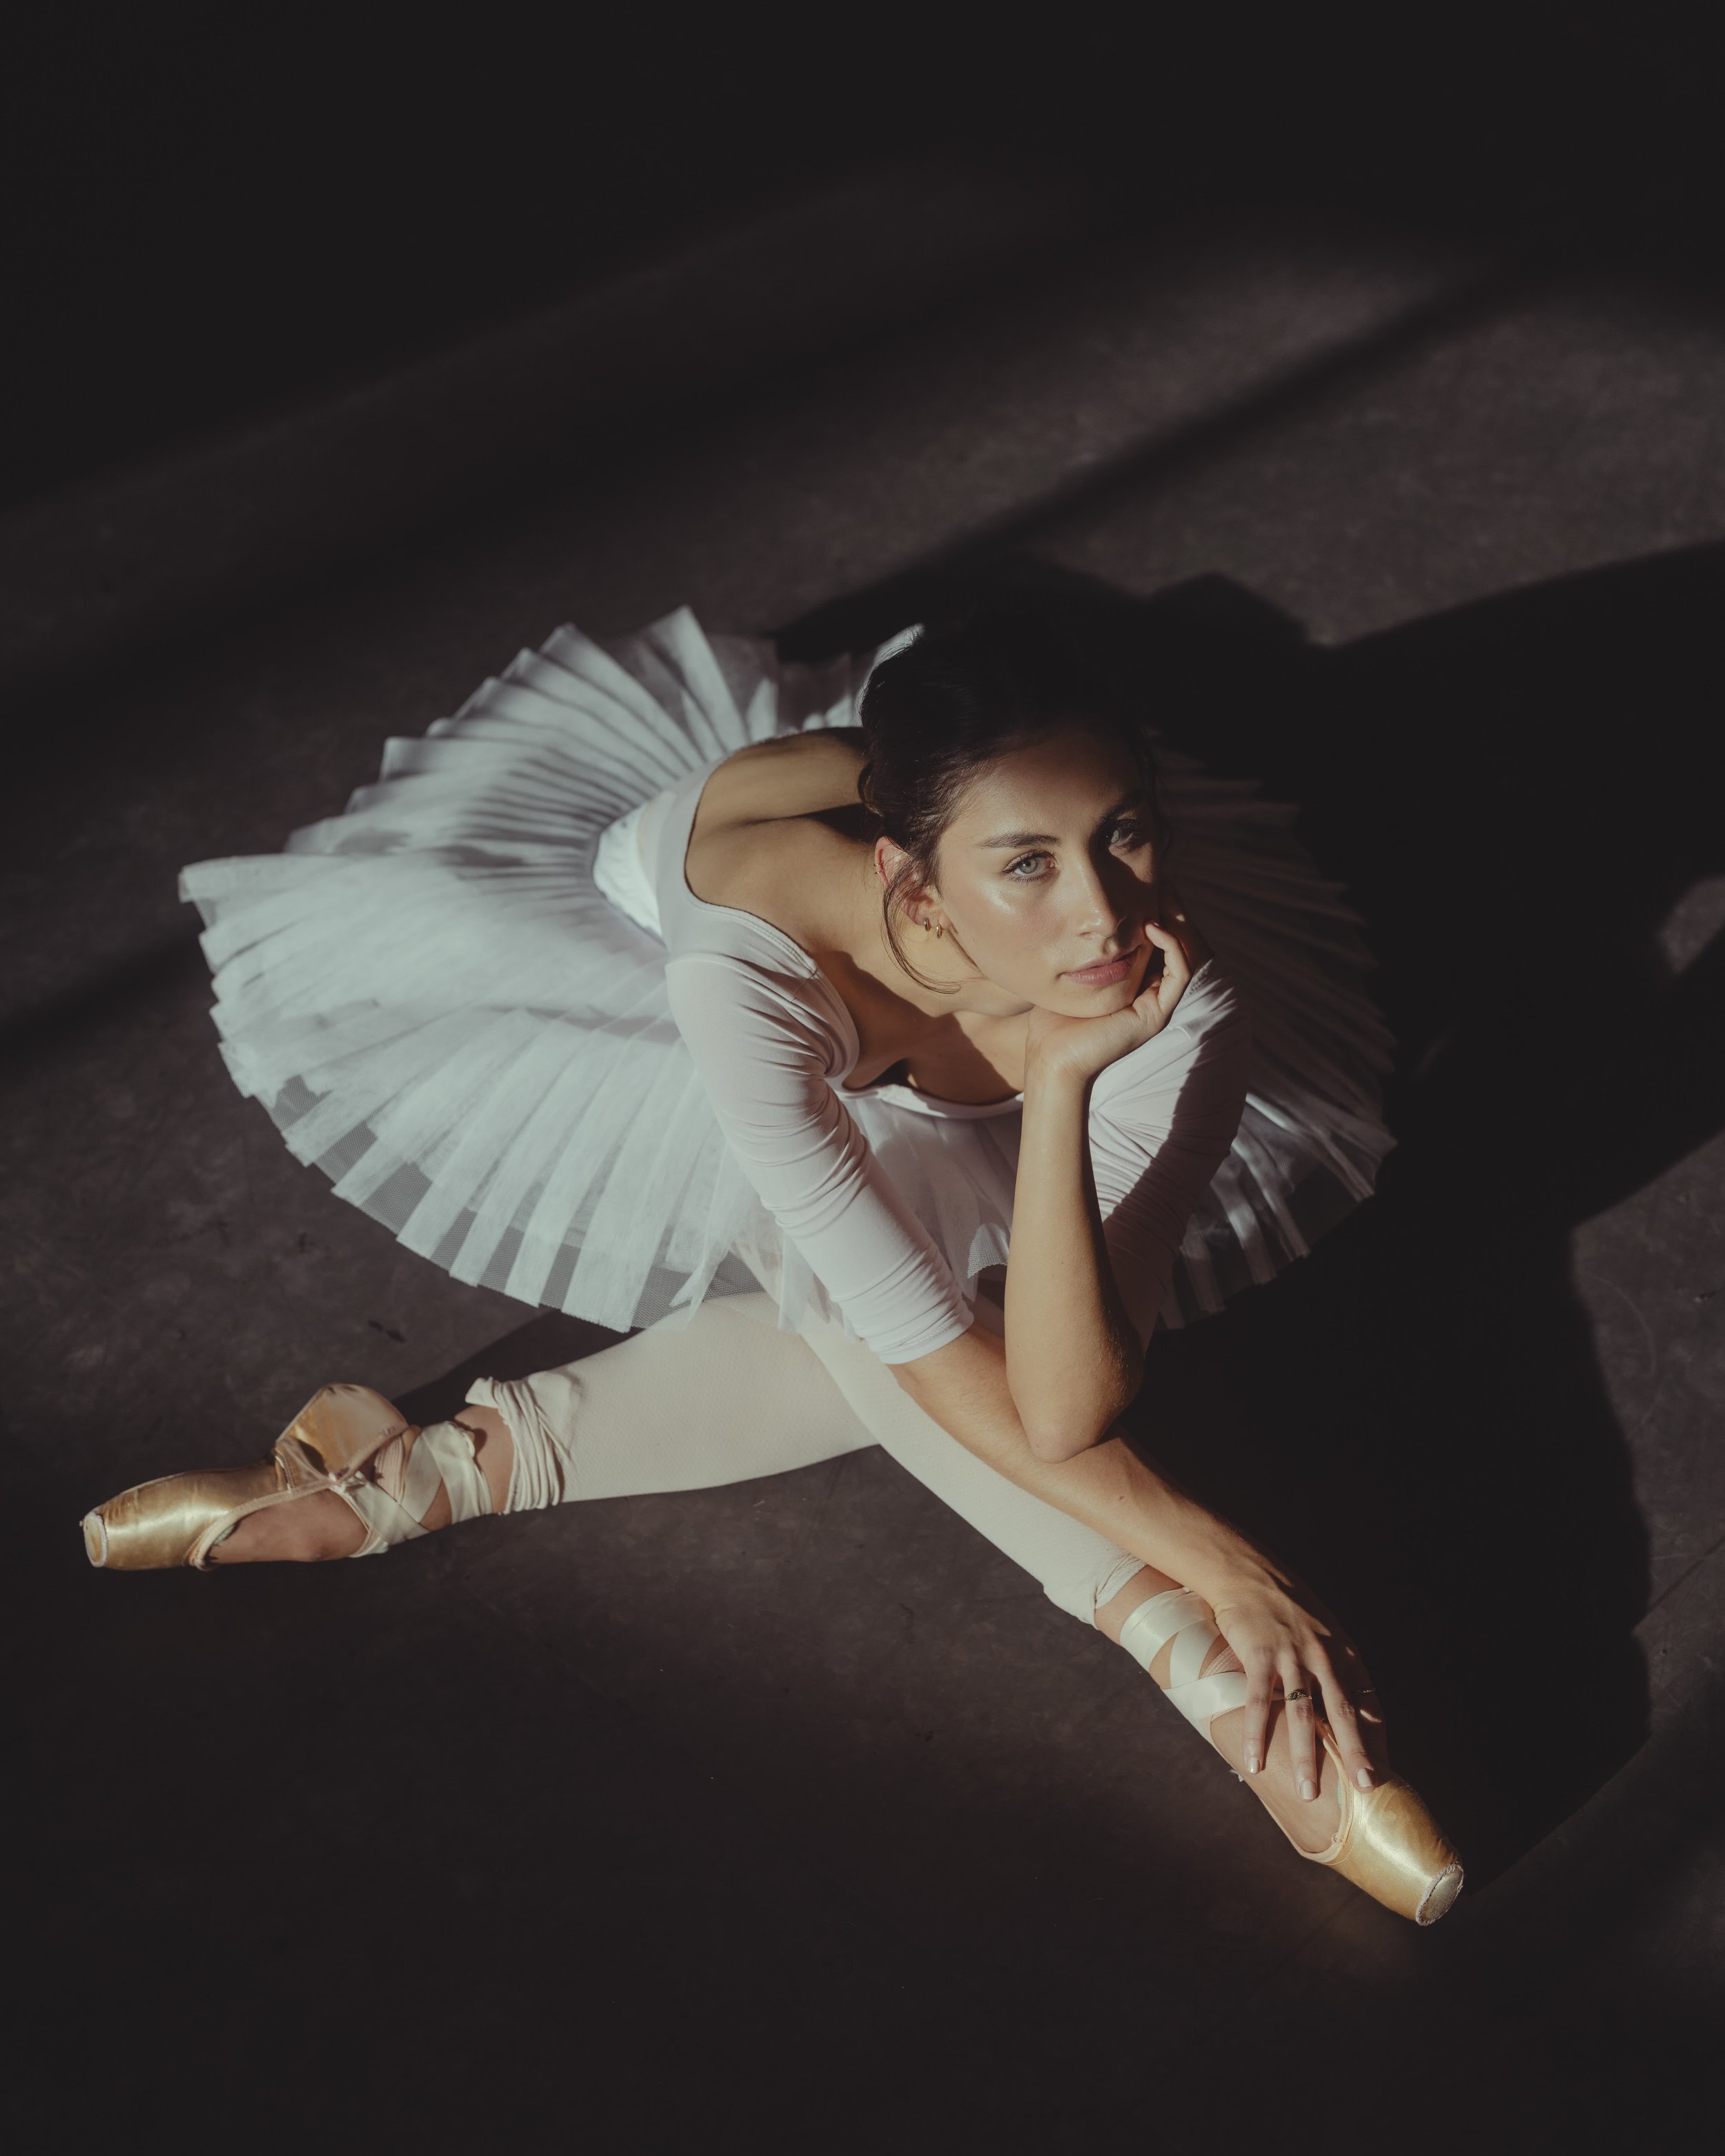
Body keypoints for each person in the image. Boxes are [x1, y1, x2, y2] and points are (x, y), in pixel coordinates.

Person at [82, 599, 1462, 1924]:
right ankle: (1212, 1682)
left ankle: (432, 1475)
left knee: (923, 1317)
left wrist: (1057, 1089)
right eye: (1028, 864)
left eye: (1123, 838)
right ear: (912, 885)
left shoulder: (1171, 988)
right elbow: (928, 1345)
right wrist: (1223, 1573)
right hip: (669, 905)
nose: (1099, 920)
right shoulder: (744, 987)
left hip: (914, 895)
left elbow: (1061, 1398)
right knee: (875, 1310)